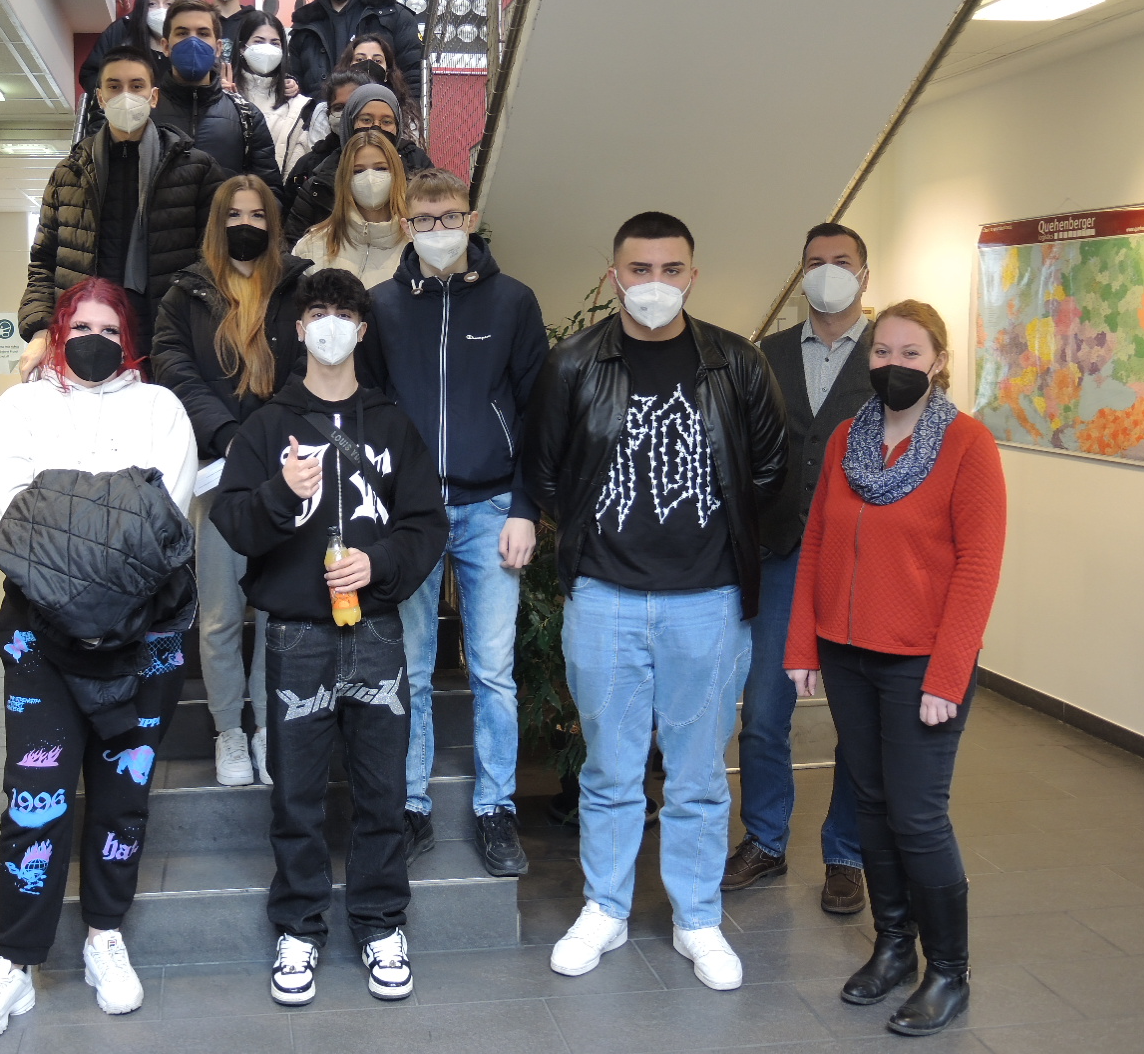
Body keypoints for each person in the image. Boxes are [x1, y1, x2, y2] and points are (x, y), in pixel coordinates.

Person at [524, 211, 786, 991]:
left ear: (692, 276)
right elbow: (543, 471)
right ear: (615, 277)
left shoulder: (736, 364)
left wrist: (725, 549)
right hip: (604, 598)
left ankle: (697, 917)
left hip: (707, 602)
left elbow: (771, 472)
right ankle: (604, 908)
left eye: (671, 269)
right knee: (610, 769)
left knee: (699, 775)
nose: (655, 284)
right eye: (640, 270)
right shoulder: (574, 362)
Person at [0, 279, 198, 1045]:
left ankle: (104, 937)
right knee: (37, 799)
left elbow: (166, 525)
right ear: (59, 331)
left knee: (122, 799)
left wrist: (64, 509)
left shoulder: (161, 409)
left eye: (110, 328)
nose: (96, 338)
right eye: (81, 325)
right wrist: (116, 509)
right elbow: (9, 520)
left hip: (146, 638)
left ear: (129, 340)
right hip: (40, 639)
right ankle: (12, 962)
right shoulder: (21, 408)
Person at [211, 268, 448, 1007]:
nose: (330, 325)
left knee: (382, 791)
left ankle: (381, 923)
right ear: (299, 327)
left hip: (376, 630)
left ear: (362, 329)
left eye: (343, 313)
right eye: (317, 312)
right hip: (296, 636)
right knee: (297, 795)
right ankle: (299, 927)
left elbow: (427, 524)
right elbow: (234, 521)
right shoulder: (267, 424)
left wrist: (380, 565)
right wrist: (283, 494)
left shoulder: (392, 423)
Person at [785, 300, 1005, 1038]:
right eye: (883, 352)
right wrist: (803, 644)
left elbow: (978, 567)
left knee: (916, 815)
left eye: (911, 354)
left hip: (921, 662)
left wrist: (948, 675)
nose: (894, 365)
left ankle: (949, 971)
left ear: (938, 362)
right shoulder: (848, 438)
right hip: (848, 654)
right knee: (871, 804)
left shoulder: (968, 445)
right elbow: (817, 544)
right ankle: (892, 948)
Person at [362, 169, 548, 877]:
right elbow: (369, 411)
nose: (438, 230)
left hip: (491, 506)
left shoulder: (513, 302)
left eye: (450, 217)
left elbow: (536, 414)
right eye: (424, 219)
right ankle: (411, 803)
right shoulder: (382, 306)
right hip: (410, 515)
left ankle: (496, 808)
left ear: (470, 220)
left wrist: (527, 508)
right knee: (409, 667)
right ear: (406, 226)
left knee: (493, 671)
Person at [724, 222, 873, 913]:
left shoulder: (887, 353)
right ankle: (765, 840)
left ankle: (846, 854)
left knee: (857, 721)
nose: (827, 272)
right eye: (816, 262)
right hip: (780, 554)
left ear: (865, 275)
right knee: (763, 712)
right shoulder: (769, 354)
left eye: (841, 261)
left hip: (859, 564)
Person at [152, 176, 313, 787]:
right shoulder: (184, 294)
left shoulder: (298, 287)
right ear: (217, 224)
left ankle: (269, 727)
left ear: (274, 223)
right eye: (234, 215)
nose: (247, 224)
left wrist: (267, 439)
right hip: (218, 475)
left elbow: (311, 366)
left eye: (258, 214)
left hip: (286, 470)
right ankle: (229, 732)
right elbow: (174, 366)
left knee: (275, 611)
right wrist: (226, 434)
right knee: (221, 615)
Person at [18, 45, 227, 369]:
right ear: (100, 98)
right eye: (114, 86)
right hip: (86, 344)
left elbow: (215, 262)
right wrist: (40, 330)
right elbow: (43, 263)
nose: (125, 95)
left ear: (153, 97)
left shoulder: (196, 170)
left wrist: (201, 329)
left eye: (136, 86)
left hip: (171, 343)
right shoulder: (70, 174)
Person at [153, 0, 282, 188]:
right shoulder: (145, 111)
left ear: (218, 47)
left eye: (203, 33)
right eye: (182, 33)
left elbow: (269, 192)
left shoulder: (247, 116)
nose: (193, 42)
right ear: (165, 46)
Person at [283, 83, 431, 247]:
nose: (376, 127)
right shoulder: (319, 181)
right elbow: (292, 243)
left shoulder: (417, 167)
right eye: (366, 120)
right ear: (350, 123)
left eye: (387, 121)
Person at [287, 0, 424, 102]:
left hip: (380, 115)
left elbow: (415, 76)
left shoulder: (394, 16)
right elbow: (293, 83)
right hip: (320, 117)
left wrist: (410, 115)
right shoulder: (304, 27)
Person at [292, 129, 409, 288]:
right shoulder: (310, 246)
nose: (370, 178)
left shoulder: (416, 245)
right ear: (344, 178)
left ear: (397, 174)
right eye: (358, 171)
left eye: (380, 168)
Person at [232, 10, 315, 178]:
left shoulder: (298, 104)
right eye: (258, 41)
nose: (267, 49)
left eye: (275, 43)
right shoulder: (226, 95)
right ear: (242, 47)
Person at [79, 0, 179, 101]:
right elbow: (90, 74)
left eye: (169, 4)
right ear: (142, 6)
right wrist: (116, 96)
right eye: (151, 4)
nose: (161, 10)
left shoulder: (189, 40)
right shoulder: (122, 31)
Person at [310, 35, 422, 143]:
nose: (369, 63)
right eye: (360, 59)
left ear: (388, 72)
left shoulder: (405, 111)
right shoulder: (324, 110)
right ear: (347, 66)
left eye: (377, 61)